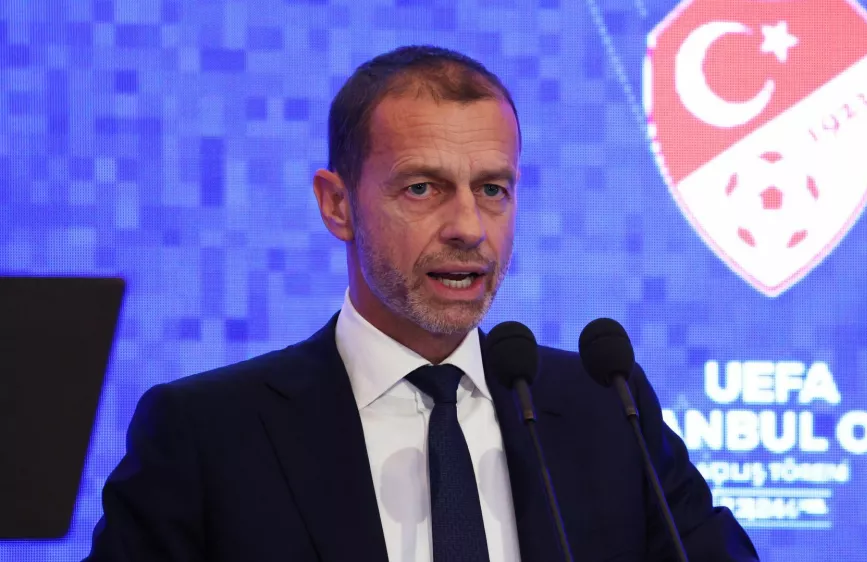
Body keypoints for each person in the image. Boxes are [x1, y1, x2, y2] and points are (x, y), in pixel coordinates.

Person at [84, 45, 758, 562]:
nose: (469, 226)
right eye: (423, 189)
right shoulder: (207, 433)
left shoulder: (602, 405)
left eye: (493, 188)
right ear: (337, 204)